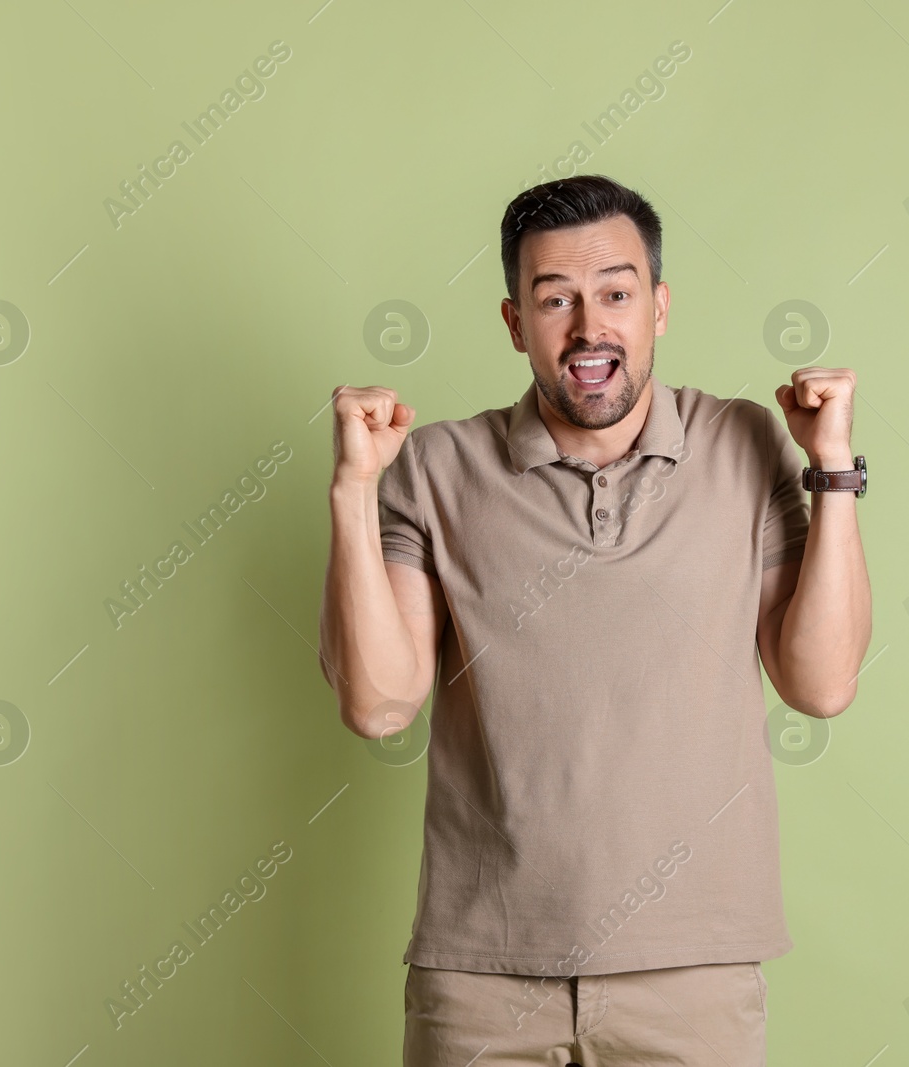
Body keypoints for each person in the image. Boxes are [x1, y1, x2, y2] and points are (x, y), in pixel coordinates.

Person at [320, 174, 871, 1066]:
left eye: (615, 293)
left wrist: (833, 467)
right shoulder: (436, 466)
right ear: (514, 323)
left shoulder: (742, 444)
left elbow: (822, 684)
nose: (588, 328)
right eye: (555, 300)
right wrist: (353, 490)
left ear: (657, 307)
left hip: (693, 969)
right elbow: (380, 704)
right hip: (482, 976)